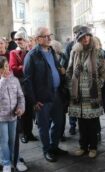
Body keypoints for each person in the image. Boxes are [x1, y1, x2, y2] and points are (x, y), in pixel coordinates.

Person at [23, 27, 67, 162]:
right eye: (45, 36)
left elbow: (55, 67)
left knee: (58, 123)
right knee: (43, 126)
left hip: (56, 94)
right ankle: (47, 150)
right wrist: (34, 101)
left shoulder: (51, 51)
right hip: (42, 98)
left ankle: (54, 146)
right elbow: (27, 81)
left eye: (50, 35)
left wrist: (61, 70)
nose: (49, 38)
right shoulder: (31, 56)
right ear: (37, 39)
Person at [66, 26, 105, 159]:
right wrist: (70, 85)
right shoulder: (74, 53)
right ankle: (83, 146)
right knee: (81, 123)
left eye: (88, 36)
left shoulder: (98, 52)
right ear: (79, 38)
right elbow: (69, 70)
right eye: (83, 36)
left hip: (92, 94)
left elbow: (103, 72)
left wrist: (98, 85)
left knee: (93, 123)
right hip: (78, 94)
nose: (86, 38)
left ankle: (93, 147)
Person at [0, 56, 25, 172]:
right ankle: (6, 163)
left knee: (12, 140)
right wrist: (3, 81)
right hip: (1, 118)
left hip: (13, 116)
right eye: (3, 68)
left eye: (6, 66)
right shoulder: (2, 81)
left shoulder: (14, 80)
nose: (6, 70)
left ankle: (13, 161)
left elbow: (20, 96)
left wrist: (20, 108)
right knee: (4, 140)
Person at [65, 25, 82, 135]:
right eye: (76, 33)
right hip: (73, 79)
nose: (77, 35)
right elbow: (67, 62)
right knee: (73, 104)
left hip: (84, 81)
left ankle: (81, 125)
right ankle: (72, 125)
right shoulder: (70, 46)